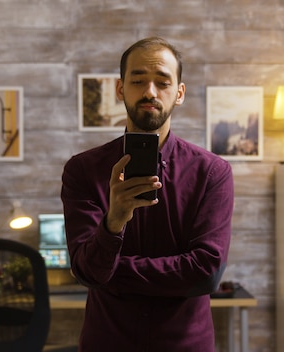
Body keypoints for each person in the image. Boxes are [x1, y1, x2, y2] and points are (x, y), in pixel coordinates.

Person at [61, 37, 234, 352]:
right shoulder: (83, 171)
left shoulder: (212, 173)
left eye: (162, 82)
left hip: (185, 346)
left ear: (179, 93)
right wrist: (114, 222)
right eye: (138, 80)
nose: (150, 92)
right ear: (120, 89)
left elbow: (206, 273)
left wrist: (116, 270)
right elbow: (87, 272)